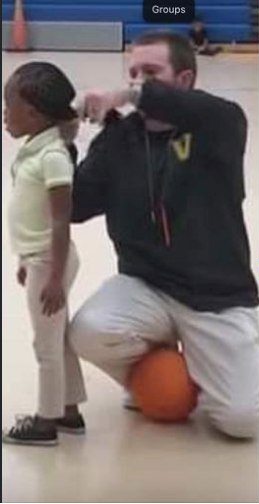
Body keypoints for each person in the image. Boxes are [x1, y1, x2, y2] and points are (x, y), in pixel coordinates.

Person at [69, 31, 259, 439]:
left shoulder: (220, 125)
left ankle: (199, 364)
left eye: (150, 73)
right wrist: (66, 142)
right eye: (133, 73)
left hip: (215, 296)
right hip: (147, 286)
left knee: (243, 421)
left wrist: (130, 94)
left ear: (185, 79)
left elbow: (208, 112)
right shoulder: (119, 138)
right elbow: (75, 206)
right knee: (89, 329)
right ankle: (155, 368)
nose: (137, 82)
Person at [2, 62, 87, 446]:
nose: (4, 112)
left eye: (9, 104)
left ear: (34, 114)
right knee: (59, 338)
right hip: (38, 259)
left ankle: (45, 422)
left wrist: (51, 275)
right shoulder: (37, 148)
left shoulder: (51, 155)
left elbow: (60, 221)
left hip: (49, 261)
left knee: (45, 345)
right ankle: (69, 410)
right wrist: (25, 260)